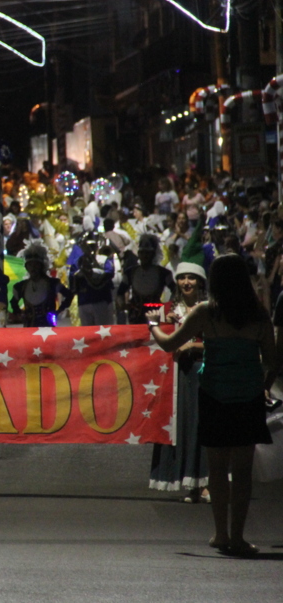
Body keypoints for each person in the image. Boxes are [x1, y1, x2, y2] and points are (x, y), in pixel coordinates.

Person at [150, 254, 279, 557]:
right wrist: (260, 385)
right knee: (243, 471)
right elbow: (273, 361)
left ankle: (220, 534)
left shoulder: (206, 312)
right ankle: (238, 537)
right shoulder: (258, 314)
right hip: (247, 397)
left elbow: (170, 344)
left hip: (214, 396)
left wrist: (153, 326)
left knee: (217, 470)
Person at [147, 261, 209, 502]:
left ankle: (205, 481)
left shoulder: (209, 309)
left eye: (191, 278)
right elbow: (152, 340)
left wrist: (193, 345)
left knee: (200, 424)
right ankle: (190, 481)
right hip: (174, 377)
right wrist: (156, 322)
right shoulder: (167, 310)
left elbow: (220, 341)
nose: (186, 282)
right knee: (180, 426)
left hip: (203, 373)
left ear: (201, 282)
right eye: (181, 278)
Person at [9, 244, 72, 327]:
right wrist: (20, 314)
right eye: (30, 265)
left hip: (48, 328)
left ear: (42, 266)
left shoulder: (52, 283)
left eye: (36, 265)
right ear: (26, 267)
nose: (33, 268)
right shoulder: (21, 286)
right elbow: (13, 302)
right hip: (29, 327)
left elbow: (69, 295)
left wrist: (58, 311)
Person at [118, 233, 175, 325]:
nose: (145, 256)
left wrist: (169, 306)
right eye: (142, 252)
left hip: (156, 313)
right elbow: (120, 291)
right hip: (135, 315)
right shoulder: (130, 272)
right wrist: (122, 304)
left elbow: (175, 290)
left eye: (148, 253)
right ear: (138, 254)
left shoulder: (164, 273)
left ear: (153, 254)